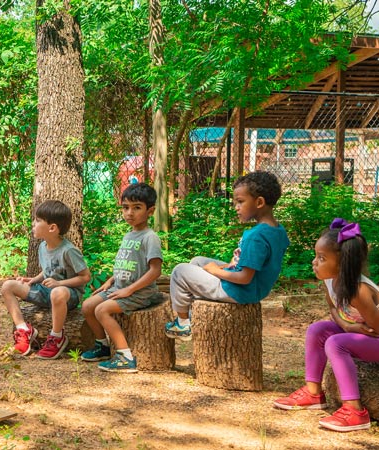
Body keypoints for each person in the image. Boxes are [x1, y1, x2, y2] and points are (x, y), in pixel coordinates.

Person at [272, 219, 377, 432]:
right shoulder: (330, 280)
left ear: (343, 262)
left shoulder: (359, 290)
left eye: (321, 258)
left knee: (336, 343)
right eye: (316, 256)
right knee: (317, 330)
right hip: (360, 334)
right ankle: (313, 393)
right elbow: (333, 312)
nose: (314, 262)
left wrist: (349, 335)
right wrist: (348, 328)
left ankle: (355, 411)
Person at [164, 171, 289, 340]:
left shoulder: (256, 236)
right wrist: (224, 265)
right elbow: (253, 263)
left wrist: (215, 271)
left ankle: (183, 323)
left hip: (240, 291)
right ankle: (195, 306)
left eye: (240, 202)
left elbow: (245, 277)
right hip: (256, 289)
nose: (236, 207)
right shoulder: (277, 230)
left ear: (259, 202)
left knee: (179, 272)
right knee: (197, 261)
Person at [80, 183, 165, 372]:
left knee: (102, 310)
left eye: (137, 208)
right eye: (126, 208)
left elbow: (155, 271)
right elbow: (126, 264)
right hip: (118, 288)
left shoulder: (150, 238)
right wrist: (110, 281)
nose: (129, 213)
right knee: (87, 306)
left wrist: (130, 289)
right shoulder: (129, 235)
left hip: (139, 293)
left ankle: (125, 356)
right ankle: (102, 346)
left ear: (150, 211)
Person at [0, 200, 91, 359]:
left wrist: (59, 283)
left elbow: (85, 277)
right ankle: (24, 329)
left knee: (57, 292)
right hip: (47, 292)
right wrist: (33, 279)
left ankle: (57, 337)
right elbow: (47, 272)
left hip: (67, 296)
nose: (33, 224)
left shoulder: (69, 251)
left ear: (52, 228)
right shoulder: (43, 246)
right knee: (8, 286)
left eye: (38, 220)